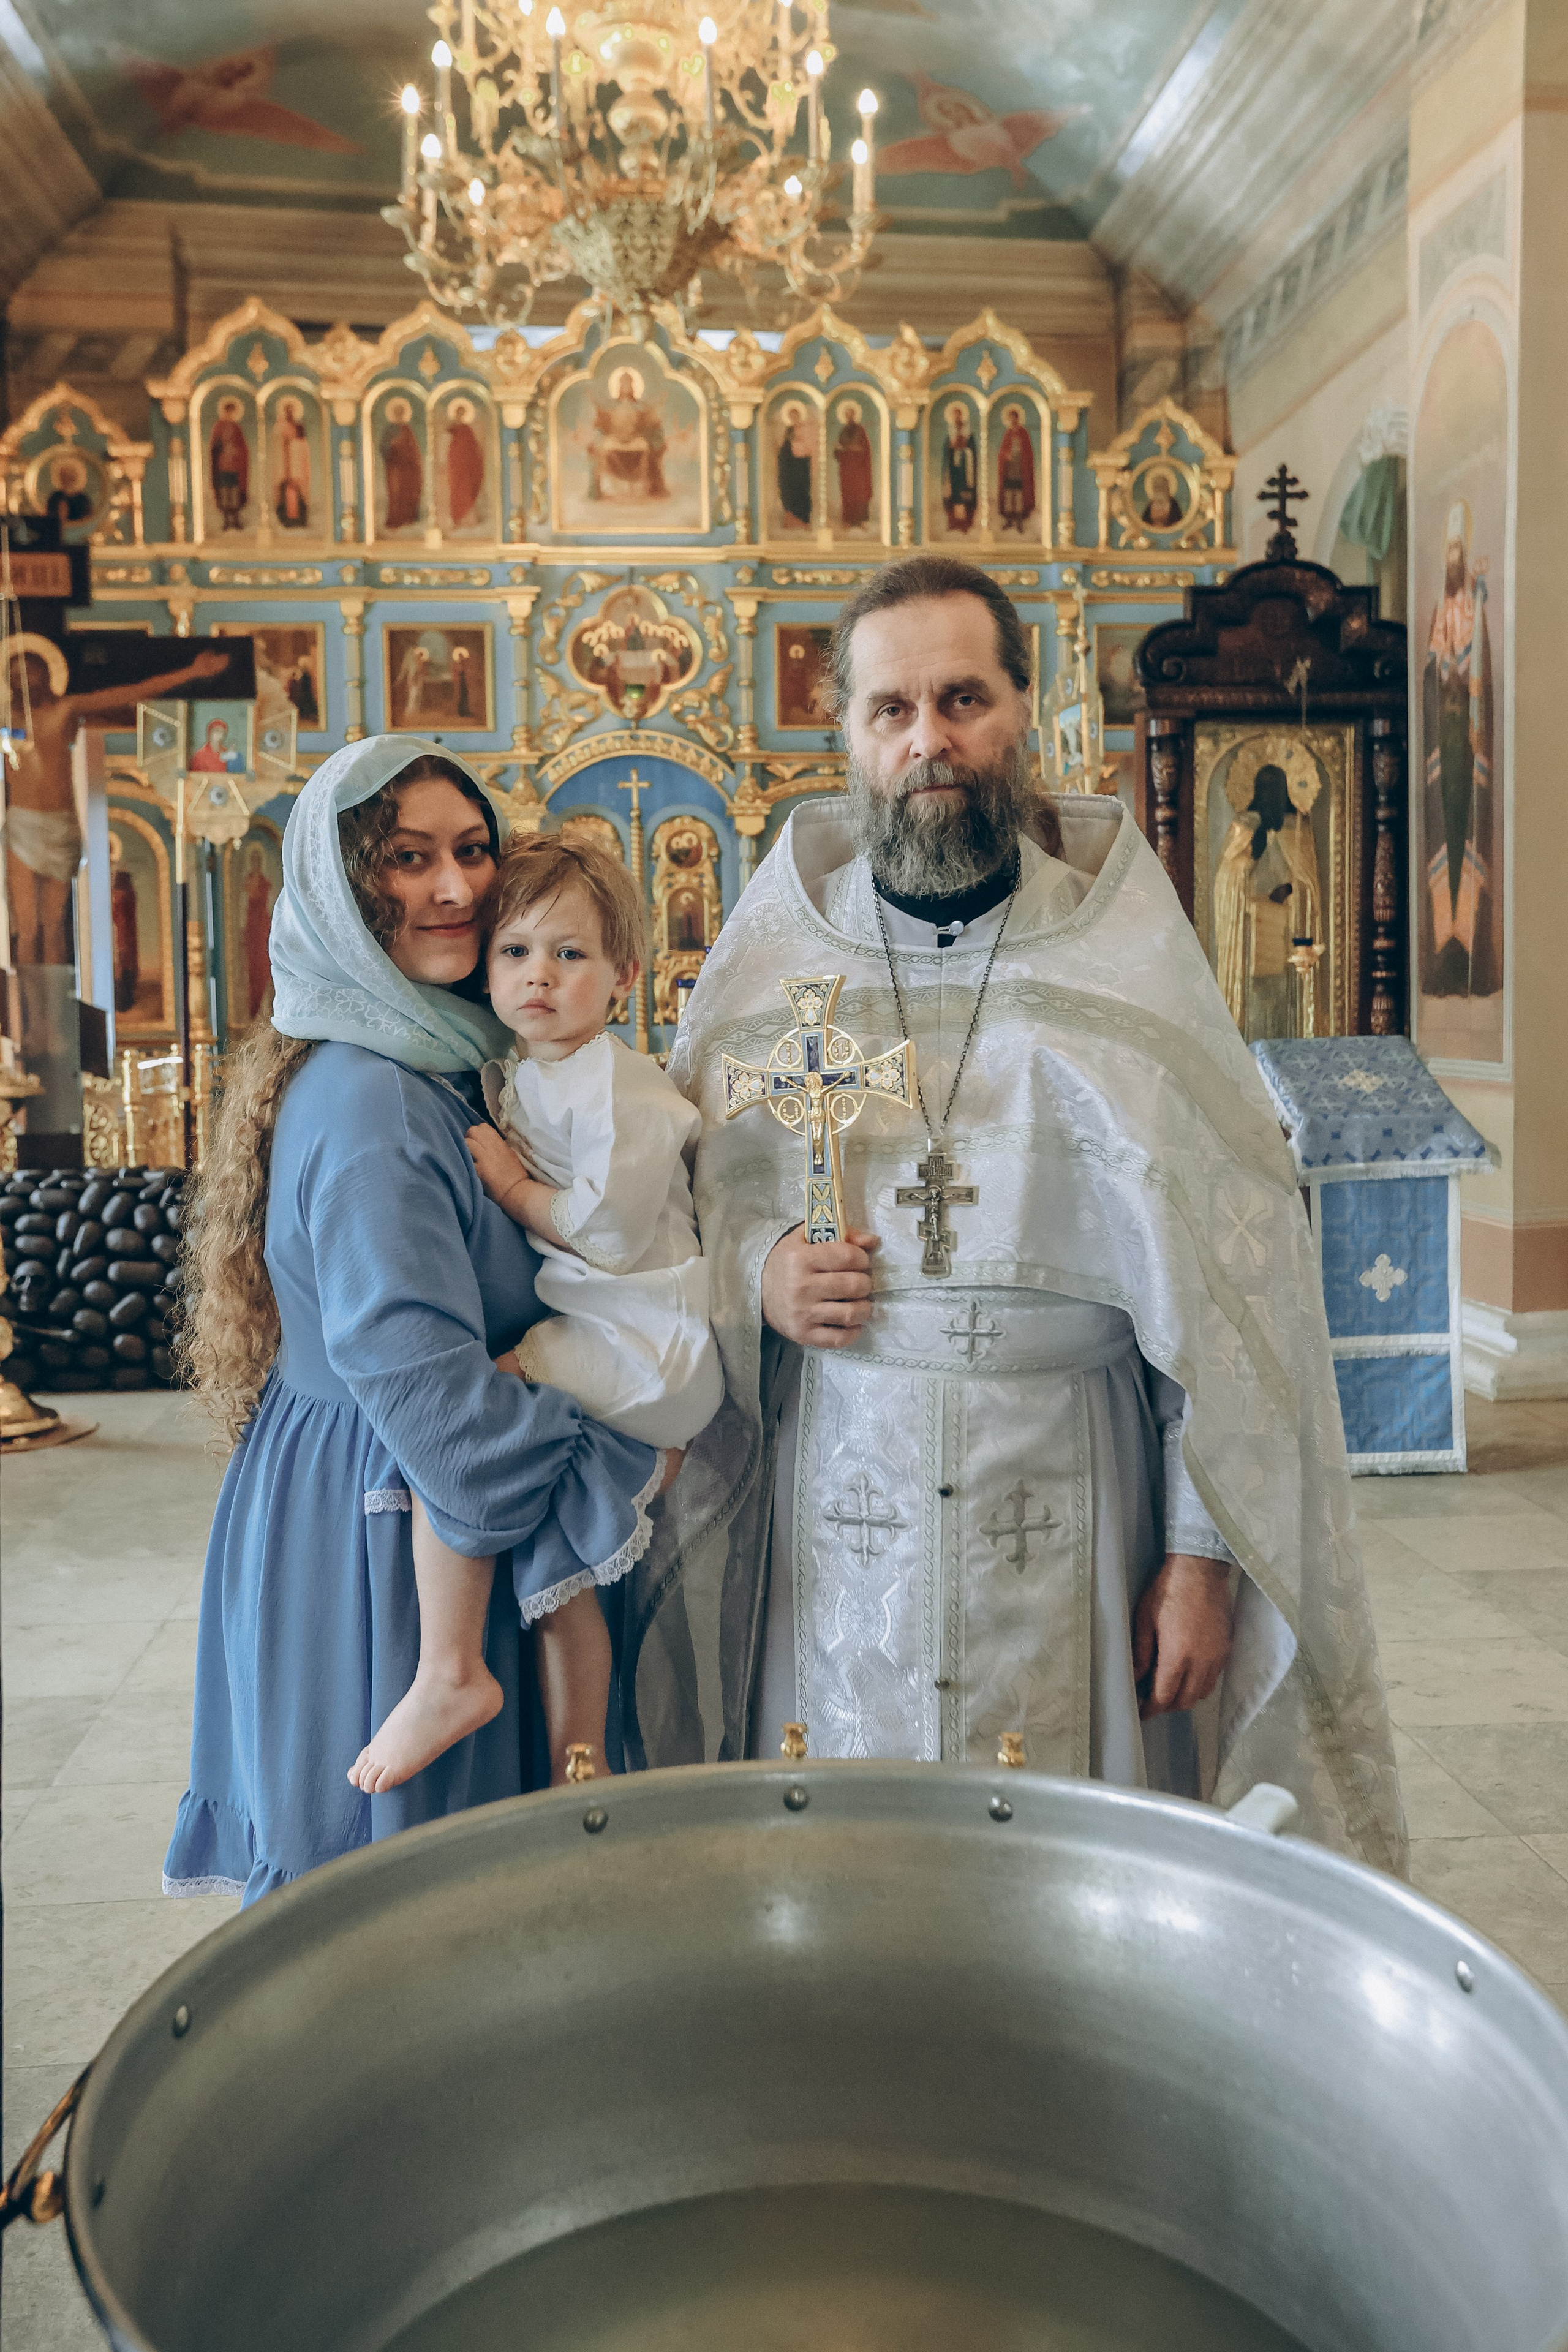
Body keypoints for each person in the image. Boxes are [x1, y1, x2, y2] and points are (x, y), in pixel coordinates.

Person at [629, 554, 1404, 1872]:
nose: (928, 740)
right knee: (847, 1857)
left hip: (1071, 1485)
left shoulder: (1128, 958)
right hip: (840, 1493)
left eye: (961, 699)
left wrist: (1203, 1557)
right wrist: (756, 1276)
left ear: (1022, 714)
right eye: (890, 710)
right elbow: (667, 1222)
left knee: (1061, 1854)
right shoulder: (773, 967)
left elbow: (1232, 1290)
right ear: (847, 736)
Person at [164, 738, 676, 1906]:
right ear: (340, 891)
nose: (456, 888)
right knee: (413, 1921)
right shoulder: (379, 1104)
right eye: (405, 859)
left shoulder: (427, 1058)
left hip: (364, 1498)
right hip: (397, 1535)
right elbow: (441, 1413)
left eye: (472, 850)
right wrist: (623, 1458)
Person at [350, 834, 722, 1793]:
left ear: (624, 976)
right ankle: (579, 1762)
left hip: (641, 1338)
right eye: (514, 952)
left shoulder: (622, 1086)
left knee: (448, 1425)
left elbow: (602, 1231)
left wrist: (513, 1189)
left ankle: (449, 1669)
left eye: (570, 955)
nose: (539, 979)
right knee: (564, 1575)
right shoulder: (533, 1067)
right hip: (614, 1332)